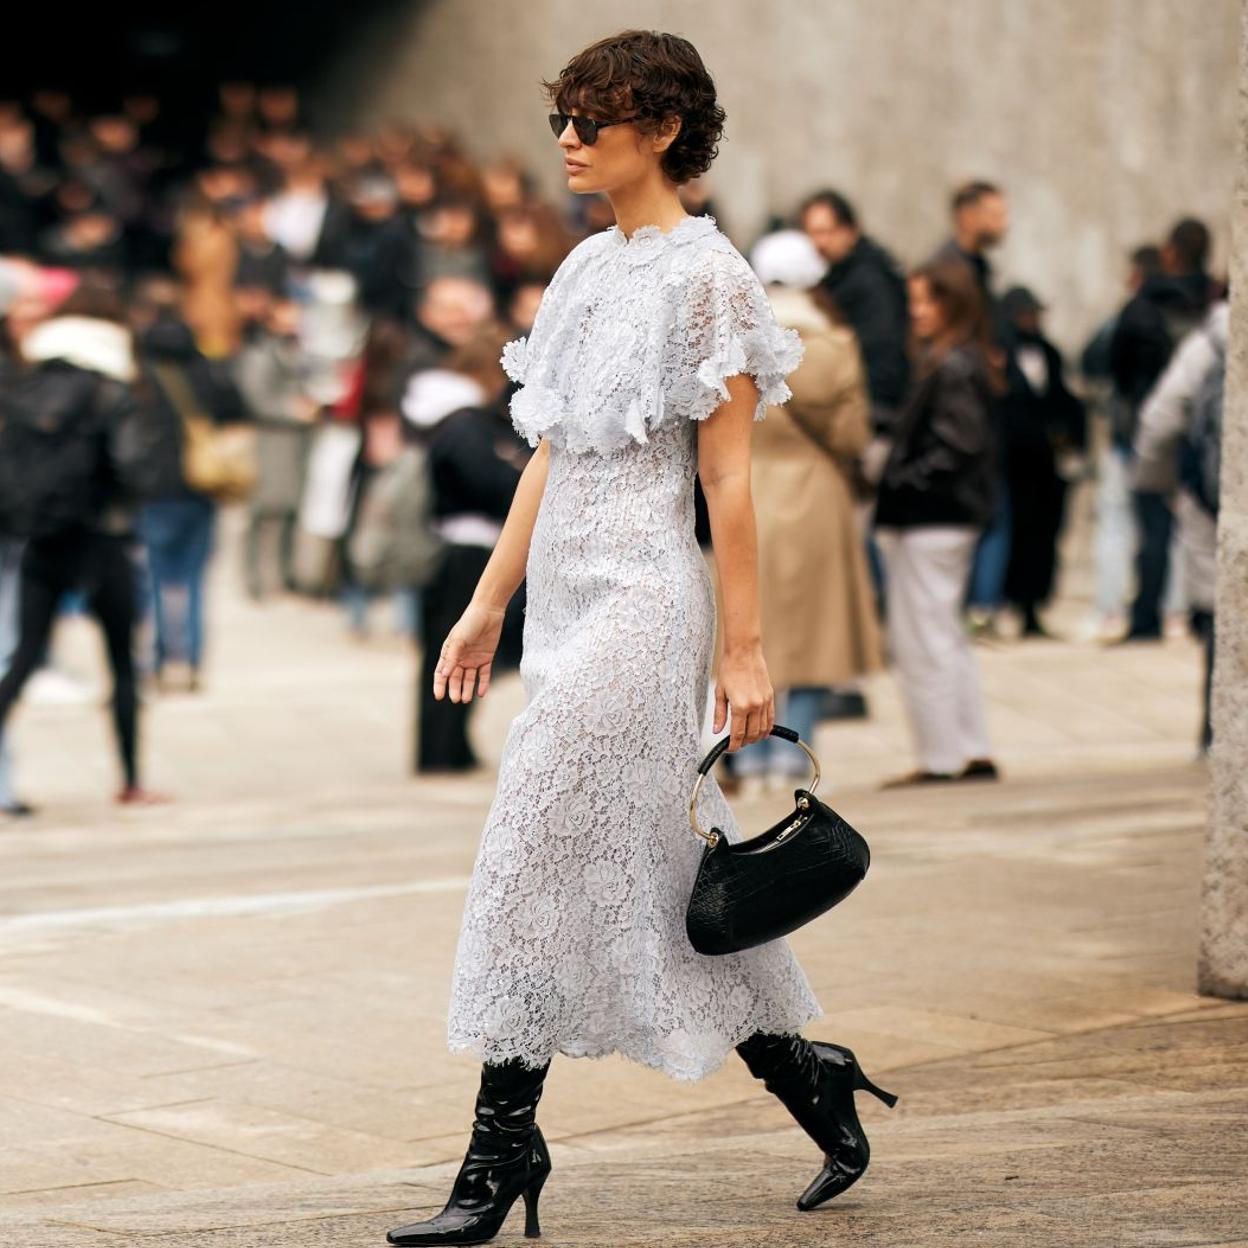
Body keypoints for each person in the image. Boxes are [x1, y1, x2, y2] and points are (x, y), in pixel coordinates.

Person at [384, 30, 895, 1248]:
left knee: (529, 847)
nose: (566, 138)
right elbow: (550, 451)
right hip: (561, 601)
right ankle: (810, 1076)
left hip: (647, 603)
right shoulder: (581, 272)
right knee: (648, 875)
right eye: (562, 117)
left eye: (591, 119)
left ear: (660, 130)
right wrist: (490, 600)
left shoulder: (711, 279)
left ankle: (502, 1144)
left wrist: (747, 648)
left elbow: (731, 479)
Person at [718, 229, 882, 792]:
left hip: (749, 489)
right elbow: (853, 432)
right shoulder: (834, 343)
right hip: (816, 495)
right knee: (816, 631)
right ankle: (794, 753)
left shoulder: (739, 339)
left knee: (746, 626)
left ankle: (747, 756)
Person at [0, 281, 166, 805]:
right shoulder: (112, 388)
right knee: (121, 661)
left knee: (24, 655)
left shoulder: (29, 383)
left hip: (43, 536)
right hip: (103, 537)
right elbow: (133, 468)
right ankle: (131, 777)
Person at [874, 258, 1000, 787]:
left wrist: (900, 478)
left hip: (933, 519)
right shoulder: (958, 361)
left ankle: (942, 756)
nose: (918, 311)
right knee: (940, 632)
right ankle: (967, 749)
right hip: (942, 517)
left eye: (929, 300)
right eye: (915, 301)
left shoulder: (953, 365)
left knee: (923, 637)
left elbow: (958, 446)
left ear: (954, 303)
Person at [402, 325, 529, 774]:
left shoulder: (448, 417)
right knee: (453, 651)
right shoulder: (463, 421)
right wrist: (519, 478)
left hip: (457, 545)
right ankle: (441, 750)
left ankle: (448, 746)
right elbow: (486, 483)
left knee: (449, 651)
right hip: (465, 551)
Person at [1110, 217, 1216, 641]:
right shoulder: (1214, 299)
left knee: (1152, 527)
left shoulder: (1142, 305)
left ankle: (1146, 618)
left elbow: (1117, 366)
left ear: (1170, 253)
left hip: (1153, 422)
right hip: (1204, 428)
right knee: (1203, 522)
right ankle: (1199, 615)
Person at [1132, 298, 1229, 750]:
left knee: (1218, 616)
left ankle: (1216, 732)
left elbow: (1161, 416)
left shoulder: (1207, 342)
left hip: (1213, 504)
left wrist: (1157, 483)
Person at [930, 181, 1013, 633]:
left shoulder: (980, 268)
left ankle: (982, 605)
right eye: (995, 214)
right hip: (960, 404)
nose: (1004, 224)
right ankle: (974, 605)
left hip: (982, 399)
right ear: (967, 214)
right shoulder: (948, 268)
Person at [999, 286, 1087, 637]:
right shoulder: (999, 355)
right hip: (1012, 464)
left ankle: (1034, 607)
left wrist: (1072, 447)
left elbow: (1067, 404)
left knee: (1044, 536)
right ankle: (1008, 602)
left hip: (1046, 467)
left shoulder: (1050, 354)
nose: (1030, 320)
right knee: (1016, 535)